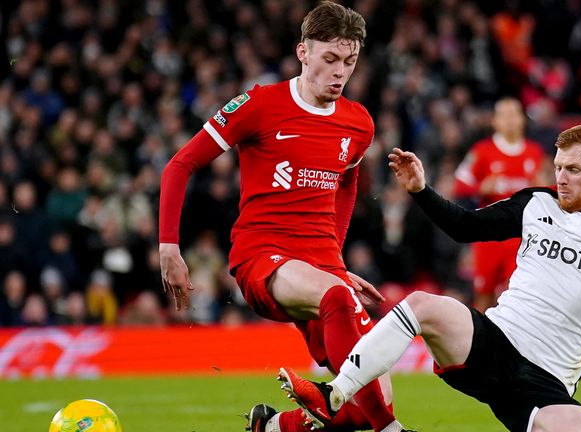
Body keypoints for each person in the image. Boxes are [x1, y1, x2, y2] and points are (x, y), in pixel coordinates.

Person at [278, 123, 581, 431]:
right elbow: (466, 227)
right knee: (421, 305)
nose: (561, 177)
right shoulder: (536, 202)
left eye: (573, 169)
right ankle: (336, 393)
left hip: (546, 382)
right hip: (493, 343)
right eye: (559, 167)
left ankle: (278, 427)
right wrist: (421, 191)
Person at [158, 3, 409, 432]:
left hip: (322, 266)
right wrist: (168, 247)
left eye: (349, 62)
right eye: (329, 59)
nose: (339, 72)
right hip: (263, 255)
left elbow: (346, 184)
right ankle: (393, 431)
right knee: (338, 303)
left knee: (372, 400)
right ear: (303, 53)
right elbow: (179, 165)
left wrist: (338, 262)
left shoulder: (357, 123)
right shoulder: (259, 104)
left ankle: (274, 426)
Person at [453, 97, 546, 311]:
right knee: (483, 293)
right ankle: (480, 339)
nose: (510, 120)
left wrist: (542, 188)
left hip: (521, 236)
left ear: (523, 119)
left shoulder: (534, 152)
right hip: (488, 235)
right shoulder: (482, 151)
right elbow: (459, 184)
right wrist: (480, 188)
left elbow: (548, 188)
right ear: (494, 121)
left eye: (515, 114)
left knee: (516, 293)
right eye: (504, 115)